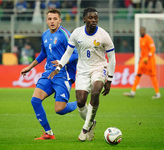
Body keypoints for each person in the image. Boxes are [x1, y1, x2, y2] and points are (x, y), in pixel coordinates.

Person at [48, 7, 116, 141]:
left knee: (96, 92)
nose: (93, 20)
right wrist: (59, 67)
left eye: (95, 18)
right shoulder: (77, 33)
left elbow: (112, 58)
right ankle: (91, 123)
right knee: (80, 101)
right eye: (90, 18)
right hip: (83, 70)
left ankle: (85, 128)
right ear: (84, 19)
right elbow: (68, 53)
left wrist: (109, 80)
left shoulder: (103, 35)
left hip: (99, 68)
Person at [20, 8, 78, 140]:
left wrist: (62, 62)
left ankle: (81, 104)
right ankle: (48, 133)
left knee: (59, 109)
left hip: (63, 74)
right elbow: (43, 54)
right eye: (50, 19)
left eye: (55, 19)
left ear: (60, 20)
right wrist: (29, 67)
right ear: (46, 20)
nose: (52, 21)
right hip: (48, 73)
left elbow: (75, 54)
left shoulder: (65, 34)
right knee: (35, 100)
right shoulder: (45, 35)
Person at [124, 27, 161, 99]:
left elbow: (153, 49)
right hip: (143, 61)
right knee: (138, 75)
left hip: (149, 61)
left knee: (152, 76)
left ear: (145, 31)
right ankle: (132, 92)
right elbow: (143, 51)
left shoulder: (148, 38)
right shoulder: (140, 39)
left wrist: (148, 56)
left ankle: (158, 93)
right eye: (140, 31)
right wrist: (140, 59)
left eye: (142, 31)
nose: (141, 32)